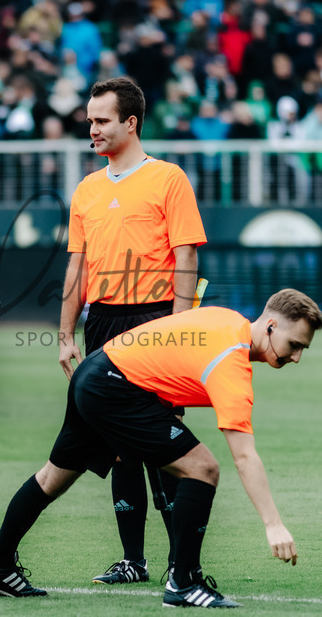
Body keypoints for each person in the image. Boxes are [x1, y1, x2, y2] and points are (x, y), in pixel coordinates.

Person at [0, 290, 322, 607]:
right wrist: (273, 525)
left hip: (98, 370)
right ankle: (184, 583)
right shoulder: (231, 362)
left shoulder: (230, 320)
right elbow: (245, 456)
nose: (296, 358)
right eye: (294, 345)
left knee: (54, 477)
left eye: (302, 349)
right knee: (203, 468)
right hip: (117, 386)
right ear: (271, 326)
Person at [58, 78, 206, 585]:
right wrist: (64, 333)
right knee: (119, 441)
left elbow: (186, 254)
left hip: (155, 318)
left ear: (130, 122)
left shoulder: (168, 178)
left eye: (101, 120)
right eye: (90, 120)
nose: (92, 129)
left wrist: (180, 328)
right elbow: (76, 267)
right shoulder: (86, 188)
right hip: (102, 320)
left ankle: (179, 564)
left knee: (162, 444)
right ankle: (133, 560)